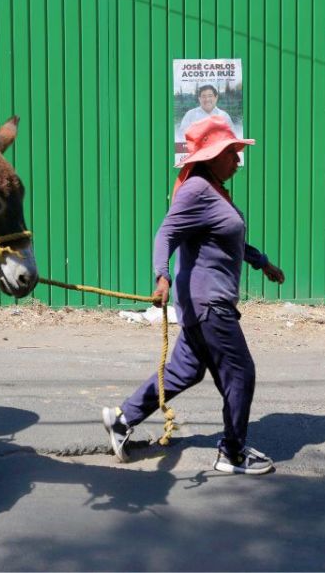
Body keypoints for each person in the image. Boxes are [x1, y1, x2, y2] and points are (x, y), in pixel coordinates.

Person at [102, 115, 285, 475]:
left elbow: (227, 239)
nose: (237, 159)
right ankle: (232, 453)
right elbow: (166, 233)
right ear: (211, 156)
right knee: (240, 373)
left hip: (202, 303)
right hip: (209, 304)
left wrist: (262, 262)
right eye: (231, 152)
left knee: (185, 371)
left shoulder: (212, 189)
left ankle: (122, 419)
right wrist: (162, 276)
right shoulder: (197, 189)